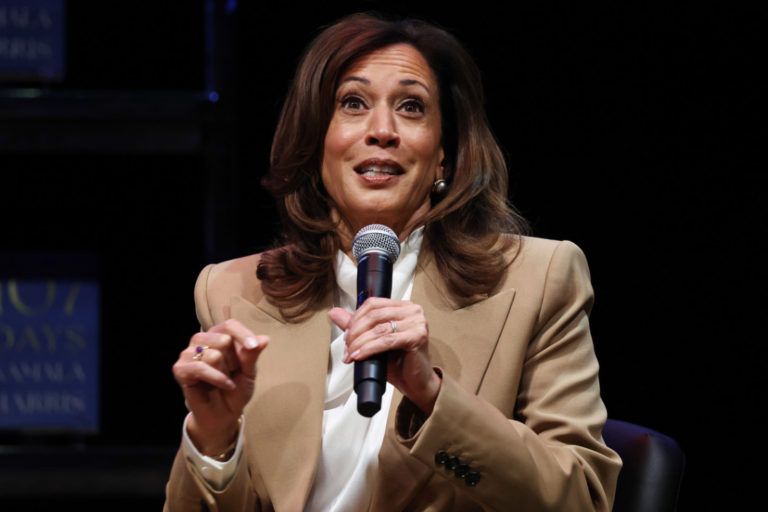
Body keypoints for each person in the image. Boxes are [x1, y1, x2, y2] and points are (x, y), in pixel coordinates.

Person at [165, 13, 621, 512]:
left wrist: (432, 397)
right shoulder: (232, 290)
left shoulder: (540, 277)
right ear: (317, 140)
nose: (382, 131)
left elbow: (583, 497)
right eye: (353, 103)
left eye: (411, 107)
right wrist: (213, 438)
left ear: (443, 154)